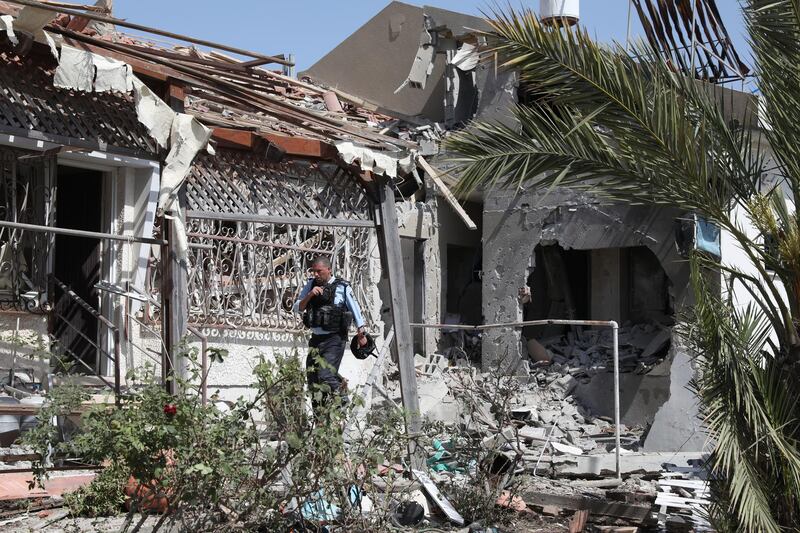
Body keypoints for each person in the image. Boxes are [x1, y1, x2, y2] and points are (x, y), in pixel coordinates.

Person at [293, 256, 368, 404]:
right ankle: (320, 417)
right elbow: (298, 307)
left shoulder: (343, 287)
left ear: (328, 270)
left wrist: (361, 333)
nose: (316, 274)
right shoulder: (310, 285)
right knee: (313, 378)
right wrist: (310, 295)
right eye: (313, 271)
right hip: (315, 339)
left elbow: (355, 309)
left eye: (319, 271)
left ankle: (342, 394)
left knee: (325, 374)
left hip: (334, 339)